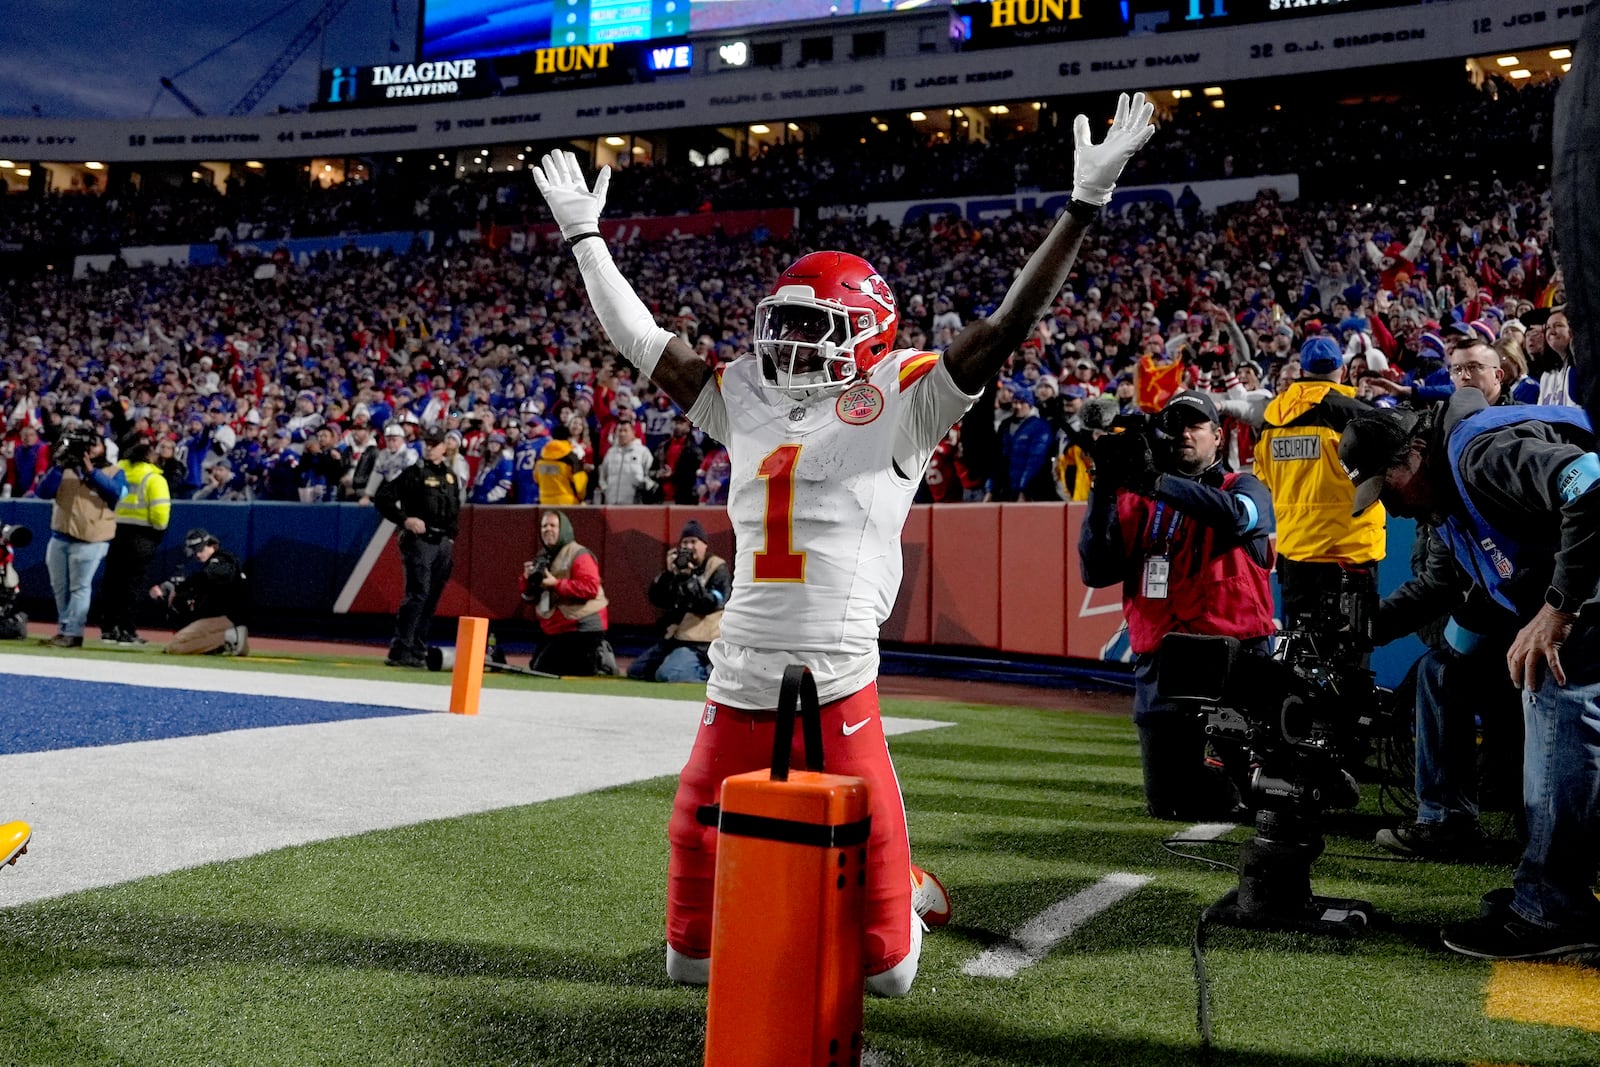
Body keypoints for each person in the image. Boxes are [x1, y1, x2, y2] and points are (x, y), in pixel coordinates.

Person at [532, 90, 1154, 997]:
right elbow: (639, 340)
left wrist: (1083, 204)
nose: (785, 342)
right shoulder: (743, 394)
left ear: (867, 333)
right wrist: (586, 236)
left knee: (889, 972)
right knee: (687, 959)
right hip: (737, 670)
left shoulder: (906, 400)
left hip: (838, 675)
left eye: (810, 326)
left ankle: (903, 894)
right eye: (779, 322)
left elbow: (1006, 327)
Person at [1340, 390, 1600, 959]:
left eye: (1388, 489)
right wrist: (1369, 630)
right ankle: (1548, 893)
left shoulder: (1477, 454)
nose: (1393, 508)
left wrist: (1558, 607)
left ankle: (1552, 911)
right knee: (1475, 673)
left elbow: (1589, 478)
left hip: (1586, 595)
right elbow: (1467, 589)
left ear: (1413, 454)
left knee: (1553, 685)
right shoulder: (1446, 496)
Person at [1078, 390, 1276, 821]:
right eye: (1176, 425)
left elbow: (1238, 518)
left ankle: (1257, 778)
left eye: (1195, 425)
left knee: (1265, 797)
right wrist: (1103, 489)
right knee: (1167, 803)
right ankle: (1223, 783)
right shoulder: (1139, 498)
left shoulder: (1244, 486)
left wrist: (1157, 483)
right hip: (1164, 663)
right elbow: (1096, 570)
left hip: (1233, 660)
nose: (1184, 434)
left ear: (1218, 437)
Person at [1250, 336, 1382, 634]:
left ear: (1302, 373)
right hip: (1351, 554)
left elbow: (1262, 480)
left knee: (1299, 655)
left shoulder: (1272, 422)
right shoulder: (1356, 414)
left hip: (1297, 555)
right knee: (1351, 658)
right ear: (1343, 371)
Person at [34, 425, 128, 648]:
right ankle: (65, 628)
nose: (88, 449)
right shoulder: (65, 468)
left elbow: (116, 493)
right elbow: (43, 492)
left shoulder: (113, 471)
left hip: (91, 540)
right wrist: (58, 464)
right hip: (60, 536)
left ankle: (74, 633)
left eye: (94, 444)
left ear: (104, 449)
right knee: (60, 587)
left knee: (80, 587)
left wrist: (91, 471)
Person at [374, 425, 461, 668]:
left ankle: (418, 648)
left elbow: (455, 510)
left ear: (445, 447)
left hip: (441, 542)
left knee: (431, 597)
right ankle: (401, 650)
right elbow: (383, 498)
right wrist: (405, 520)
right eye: (427, 443)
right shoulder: (414, 473)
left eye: (434, 443)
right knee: (418, 594)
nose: (429, 447)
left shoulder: (451, 476)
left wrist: (451, 537)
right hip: (419, 542)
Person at [628, 520, 731, 682]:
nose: (688, 547)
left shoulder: (717, 568)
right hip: (677, 636)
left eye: (693, 542)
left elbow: (711, 603)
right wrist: (669, 575)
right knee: (637, 671)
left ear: (704, 545)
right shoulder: (678, 569)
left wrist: (689, 578)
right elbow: (657, 599)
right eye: (684, 542)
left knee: (667, 675)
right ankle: (681, 663)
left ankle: (712, 673)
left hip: (701, 641)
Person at [99, 434, 171, 645]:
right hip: (142, 536)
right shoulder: (154, 478)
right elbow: (160, 514)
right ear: (148, 457)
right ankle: (127, 630)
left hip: (115, 532)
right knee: (132, 585)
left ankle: (108, 628)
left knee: (113, 582)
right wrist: (158, 531)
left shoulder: (117, 472)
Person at [522, 510, 610, 675]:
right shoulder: (542, 557)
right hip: (556, 629)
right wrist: (527, 581)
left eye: (553, 525)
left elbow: (590, 588)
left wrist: (556, 584)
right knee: (537, 667)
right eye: (544, 526)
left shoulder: (579, 554)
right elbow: (530, 597)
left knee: (548, 668)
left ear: (563, 529)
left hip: (582, 627)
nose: (548, 529)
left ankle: (599, 657)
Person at [149, 528, 249, 655]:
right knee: (181, 640)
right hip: (225, 619)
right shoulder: (221, 561)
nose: (197, 554)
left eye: (200, 550)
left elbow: (209, 575)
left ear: (211, 545)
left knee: (175, 647)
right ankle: (225, 643)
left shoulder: (222, 560)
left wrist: (179, 588)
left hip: (226, 618)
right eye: (195, 551)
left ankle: (230, 639)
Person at [597, 413, 656, 504]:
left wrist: (643, 489)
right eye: (619, 430)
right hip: (611, 503)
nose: (622, 433)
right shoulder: (611, 452)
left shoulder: (643, 452)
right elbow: (602, 476)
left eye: (625, 430)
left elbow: (651, 476)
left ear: (633, 433)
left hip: (633, 506)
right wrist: (606, 490)